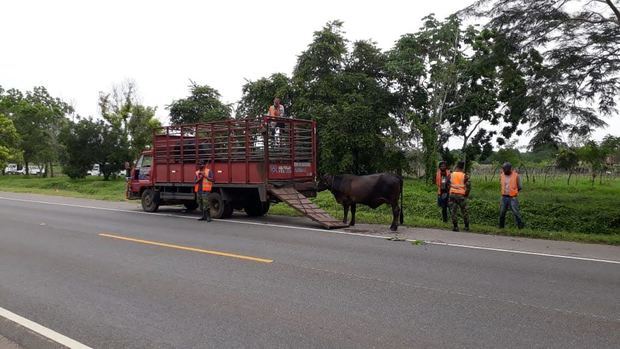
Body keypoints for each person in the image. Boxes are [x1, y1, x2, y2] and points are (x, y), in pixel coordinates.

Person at [499, 162, 525, 229]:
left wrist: (514, 192)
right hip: (504, 197)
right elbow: (501, 184)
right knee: (502, 213)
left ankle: (520, 228)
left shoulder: (516, 175)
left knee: (516, 213)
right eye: (503, 169)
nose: (504, 171)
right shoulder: (502, 175)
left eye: (506, 169)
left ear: (510, 169)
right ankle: (501, 228)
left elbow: (520, 187)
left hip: (513, 197)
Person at [448, 161, 470, 232]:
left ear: (456, 166)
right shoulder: (464, 175)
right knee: (464, 211)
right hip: (461, 196)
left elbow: (447, 184)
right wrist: (466, 194)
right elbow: (468, 186)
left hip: (452, 195)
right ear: (463, 167)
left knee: (453, 211)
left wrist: (450, 190)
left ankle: (455, 227)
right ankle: (466, 227)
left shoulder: (451, 174)